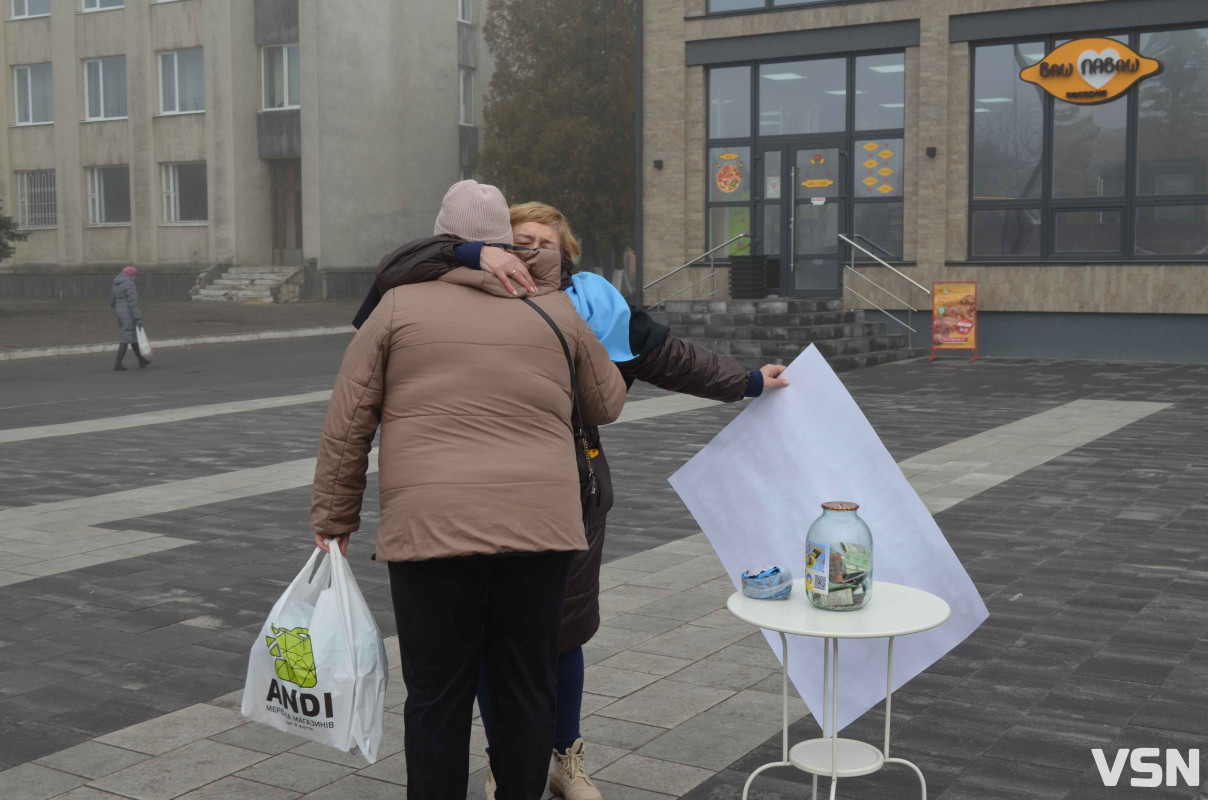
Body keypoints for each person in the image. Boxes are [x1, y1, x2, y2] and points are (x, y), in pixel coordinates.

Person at [353, 201, 790, 800]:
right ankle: (509, 761)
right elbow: (394, 270)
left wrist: (746, 381)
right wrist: (467, 252)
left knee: (560, 635)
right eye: (518, 239)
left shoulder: (593, 308)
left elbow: (671, 360)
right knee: (486, 644)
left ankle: (560, 757)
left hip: (565, 496)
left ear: (568, 253)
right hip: (463, 504)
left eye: (544, 241)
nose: (530, 249)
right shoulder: (456, 290)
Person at [311, 180, 627, 800]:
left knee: (436, 694)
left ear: (439, 238)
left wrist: (335, 515)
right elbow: (608, 402)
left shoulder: (396, 307)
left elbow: (348, 422)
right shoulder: (552, 307)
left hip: (431, 534)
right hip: (541, 532)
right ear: (507, 243)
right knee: (526, 687)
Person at [110, 266, 149, 370]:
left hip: (119, 313)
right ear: (131, 275)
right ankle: (117, 364)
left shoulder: (116, 283)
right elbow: (132, 303)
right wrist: (138, 318)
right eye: (135, 275)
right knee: (126, 337)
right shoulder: (129, 284)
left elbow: (112, 302)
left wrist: (119, 309)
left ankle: (141, 360)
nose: (135, 277)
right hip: (128, 313)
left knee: (131, 336)